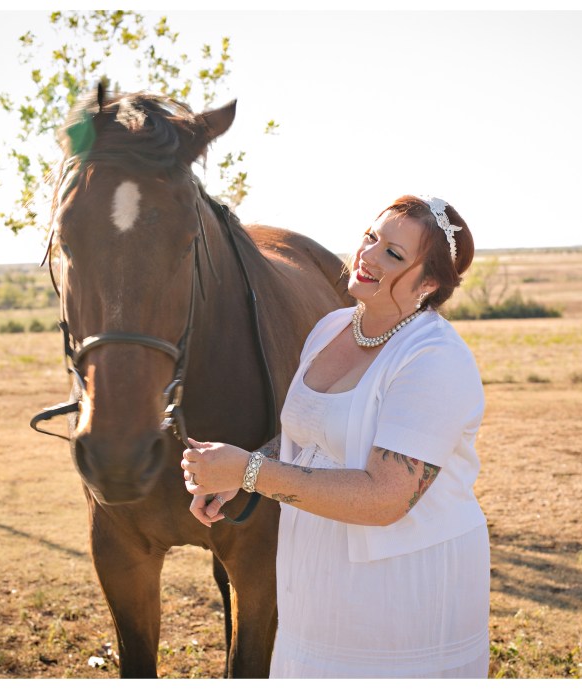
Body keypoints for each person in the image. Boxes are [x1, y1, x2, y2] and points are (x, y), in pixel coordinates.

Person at [181, 194, 489, 678]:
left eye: (393, 254)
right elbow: (309, 441)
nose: (368, 256)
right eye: (371, 237)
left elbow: (385, 498)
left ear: (429, 283)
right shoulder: (329, 328)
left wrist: (251, 471)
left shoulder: (434, 358)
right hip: (313, 573)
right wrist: (236, 474)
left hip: (402, 584)